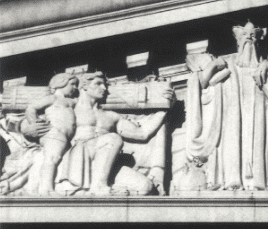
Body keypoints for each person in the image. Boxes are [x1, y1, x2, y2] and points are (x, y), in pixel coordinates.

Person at [183, 22, 268, 191]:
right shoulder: (227, 64)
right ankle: (233, 182)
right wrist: (213, 65)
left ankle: (259, 182)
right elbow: (200, 84)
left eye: (252, 36)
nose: (249, 39)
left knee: (257, 141)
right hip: (231, 124)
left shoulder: (265, 67)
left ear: (257, 42)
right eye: (244, 36)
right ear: (237, 40)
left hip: (259, 120)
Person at [44, 71, 173, 195]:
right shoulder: (69, 106)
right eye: (98, 84)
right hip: (78, 158)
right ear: (84, 86)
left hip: (106, 164)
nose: (104, 88)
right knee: (112, 139)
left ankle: (103, 187)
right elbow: (44, 121)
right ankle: (99, 187)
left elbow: (142, 133)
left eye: (104, 84)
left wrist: (165, 109)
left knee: (144, 187)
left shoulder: (111, 116)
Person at [24, 73, 79, 195]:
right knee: (52, 158)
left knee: (57, 158)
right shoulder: (53, 98)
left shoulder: (72, 101)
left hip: (66, 137)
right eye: (72, 84)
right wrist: (35, 123)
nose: (75, 87)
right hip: (54, 133)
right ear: (61, 83)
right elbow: (31, 108)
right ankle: (46, 188)